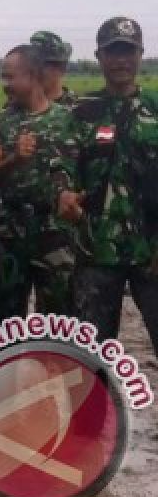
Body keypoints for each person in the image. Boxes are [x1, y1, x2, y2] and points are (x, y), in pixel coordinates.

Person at [58, 17, 158, 351]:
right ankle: (101, 405)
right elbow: (62, 167)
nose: (121, 60)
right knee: (93, 356)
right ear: (99, 56)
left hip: (151, 249)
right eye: (113, 52)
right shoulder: (80, 112)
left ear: (140, 54)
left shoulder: (155, 109)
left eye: (128, 51)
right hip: (96, 250)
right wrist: (63, 194)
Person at [0, 45, 80, 321]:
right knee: (5, 321)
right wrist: (14, 159)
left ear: (34, 75)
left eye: (10, 77)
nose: (5, 85)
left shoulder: (69, 120)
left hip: (57, 236)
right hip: (10, 234)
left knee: (58, 322)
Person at [29, 30, 78, 107]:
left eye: (42, 65)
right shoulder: (17, 107)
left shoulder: (77, 110)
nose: (34, 70)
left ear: (62, 68)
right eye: (31, 64)